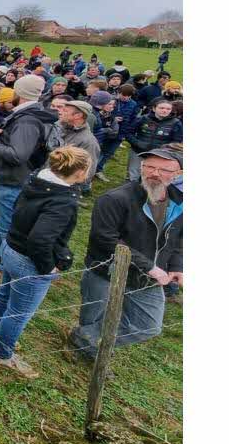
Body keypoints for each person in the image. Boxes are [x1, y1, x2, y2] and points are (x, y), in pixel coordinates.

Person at [0, 147, 91, 378]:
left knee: (4, 293)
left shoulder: (36, 182)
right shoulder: (62, 200)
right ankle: (3, 353)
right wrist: (47, 267)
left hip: (11, 248)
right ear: (80, 172)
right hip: (29, 261)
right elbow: (40, 239)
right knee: (19, 312)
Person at [67, 147, 183, 361]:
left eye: (164, 169)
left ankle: (85, 338)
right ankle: (88, 352)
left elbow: (180, 238)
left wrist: (177, 265)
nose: (155, 173)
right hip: (107, 272)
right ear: (141, 168)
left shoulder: (180, 203)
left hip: (148, 279)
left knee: (148, 325)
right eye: (150, 166)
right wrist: (149, 266)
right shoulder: (115, 199)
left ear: (178, 174)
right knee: (93, 316)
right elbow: (105, 239)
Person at [0, 74, 56, 268]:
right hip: (1, 179)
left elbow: (17, 155)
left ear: (19, 92)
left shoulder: (27, 121)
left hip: (9, 182)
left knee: (5, 227)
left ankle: (4, 268)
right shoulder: (24, 115)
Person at [125, 99, 183, 181]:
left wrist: (164, 149)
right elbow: (128, 133)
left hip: (159, 155)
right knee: (133, 174)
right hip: (138, 151)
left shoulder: (176, 123)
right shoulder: (143, 118)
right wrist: (137, 143)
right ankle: (131, 190)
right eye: (161, 108)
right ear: (154, 108)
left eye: (168, 109)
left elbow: (177, 140)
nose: (164, 111)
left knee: (151, 176)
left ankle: (147, 192)